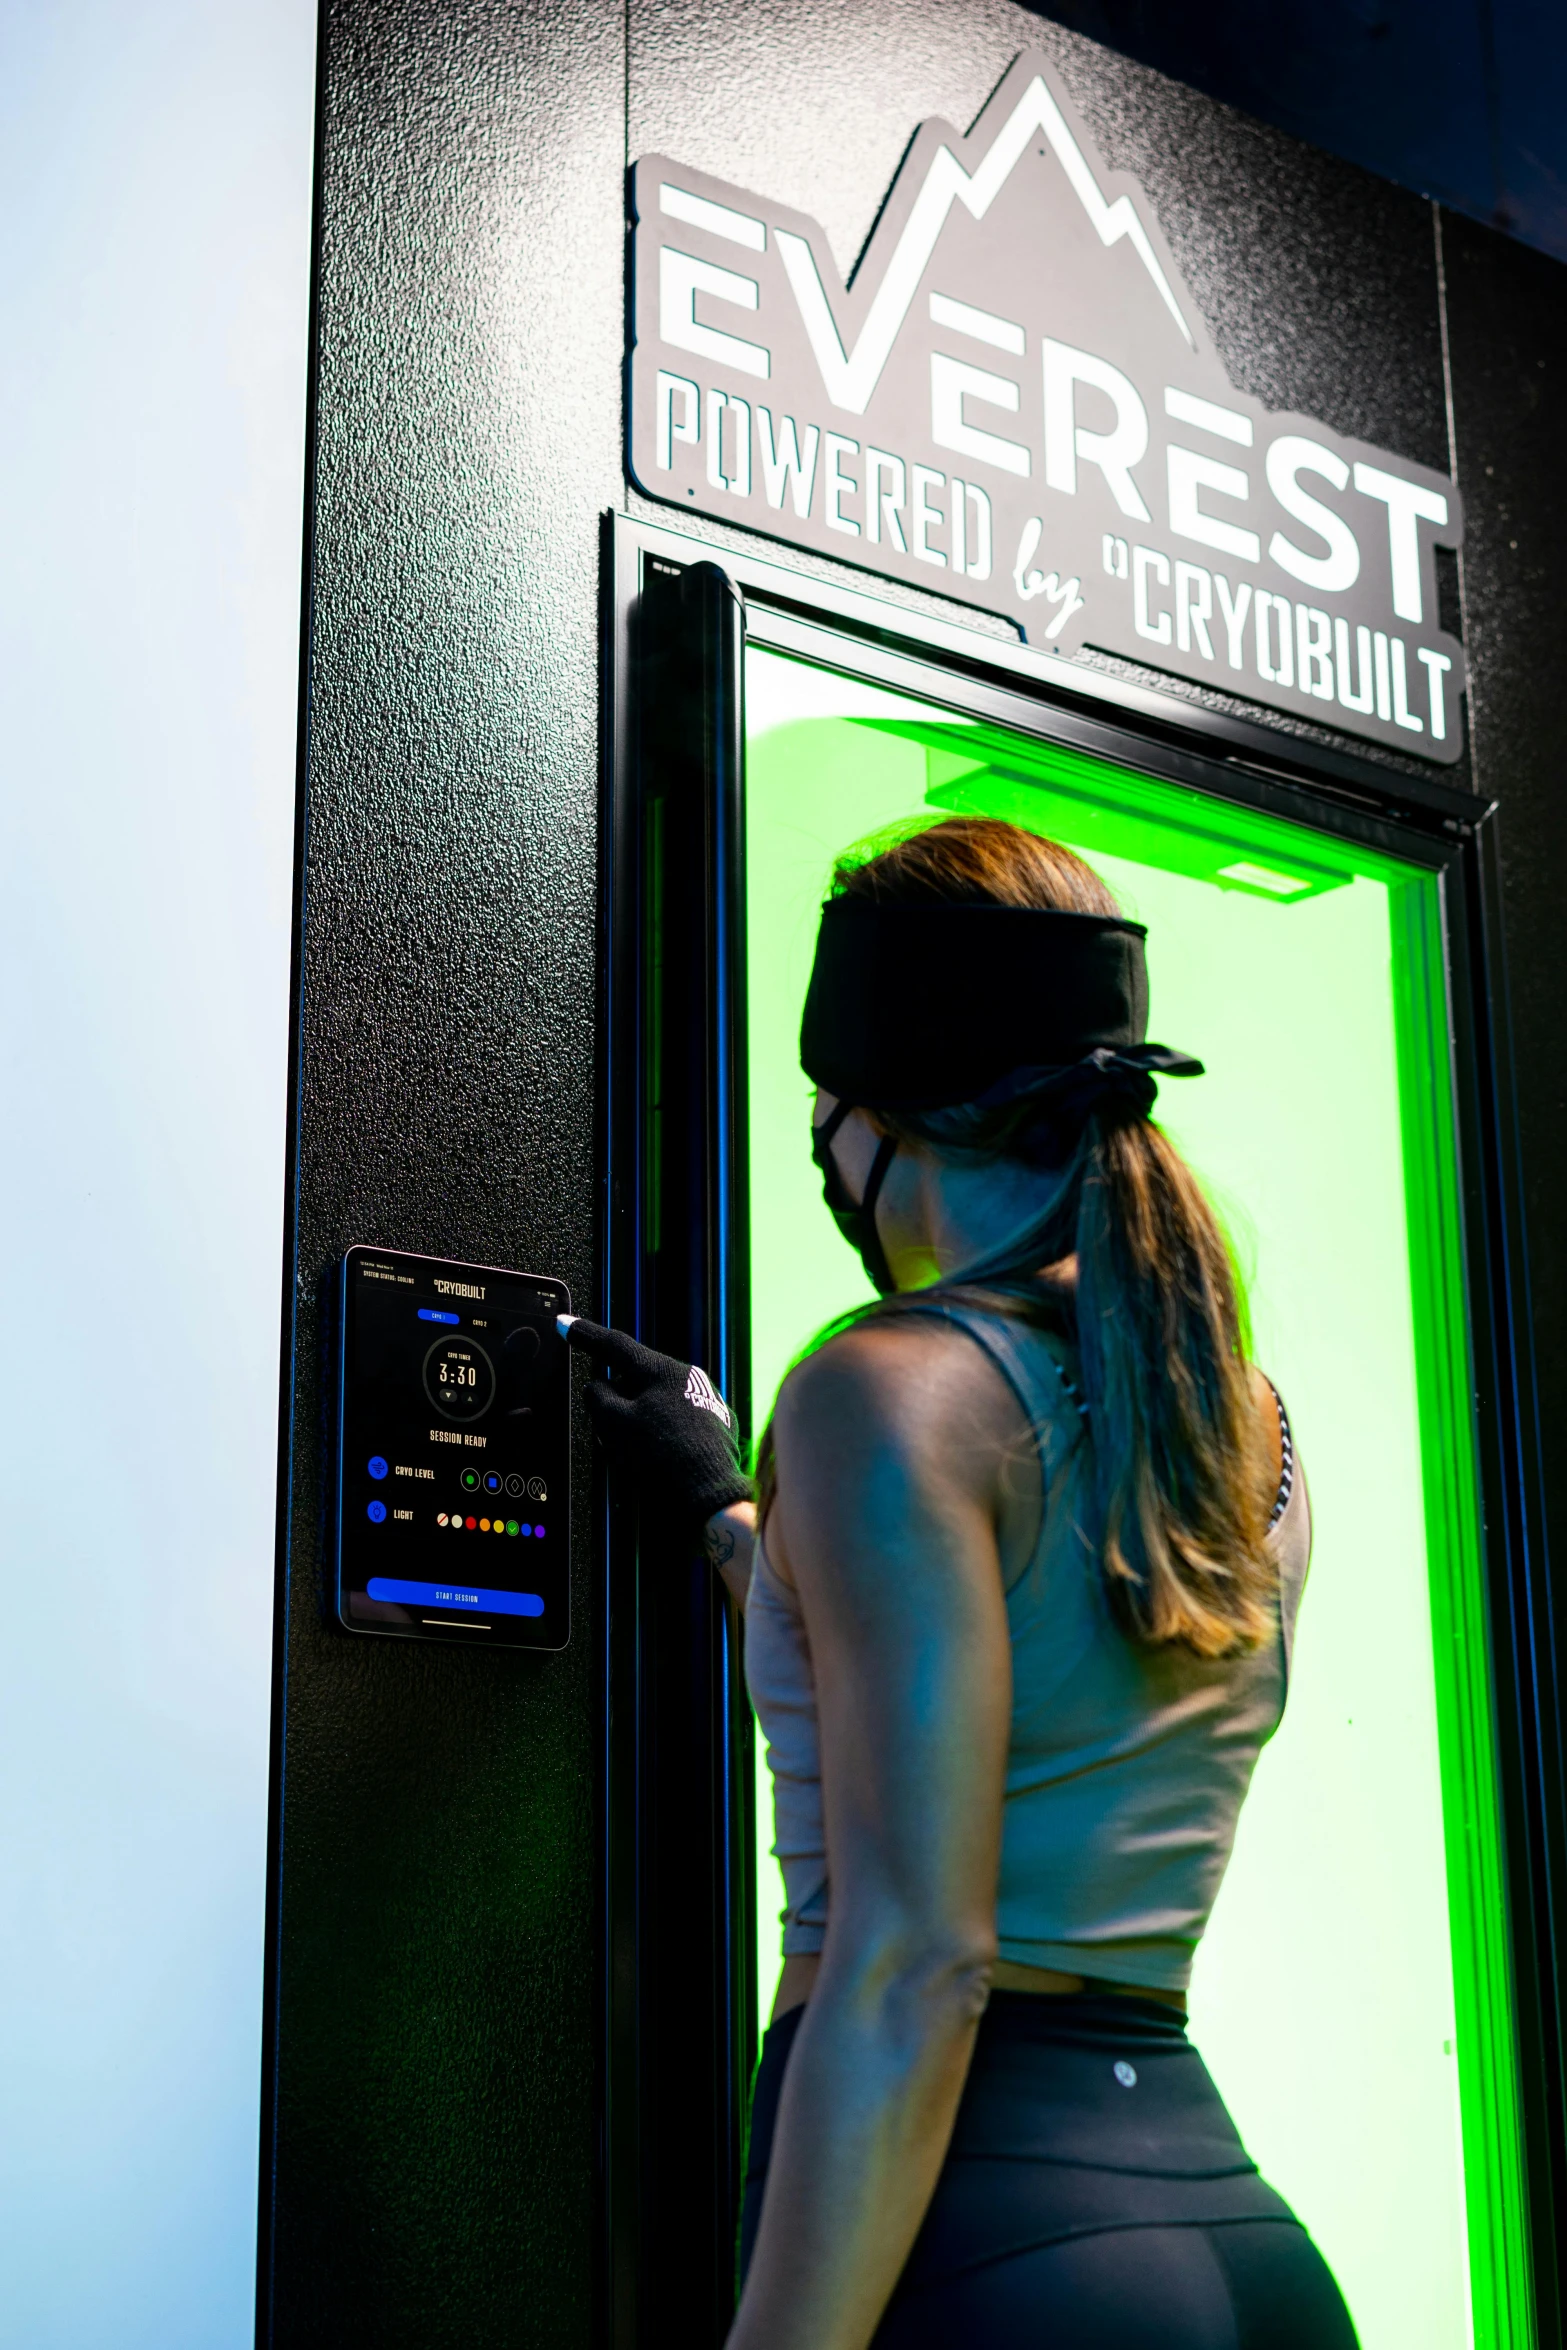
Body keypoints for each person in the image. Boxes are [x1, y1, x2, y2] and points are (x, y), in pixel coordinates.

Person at [567, 817, 1359, 2349]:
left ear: (875, 1118)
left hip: (988, 2252)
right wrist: (731, 1514)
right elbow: (1010, 1684)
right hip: (1238, 2253)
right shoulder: (1237, 1423)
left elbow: (920, 1960)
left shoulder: (885, 1391)